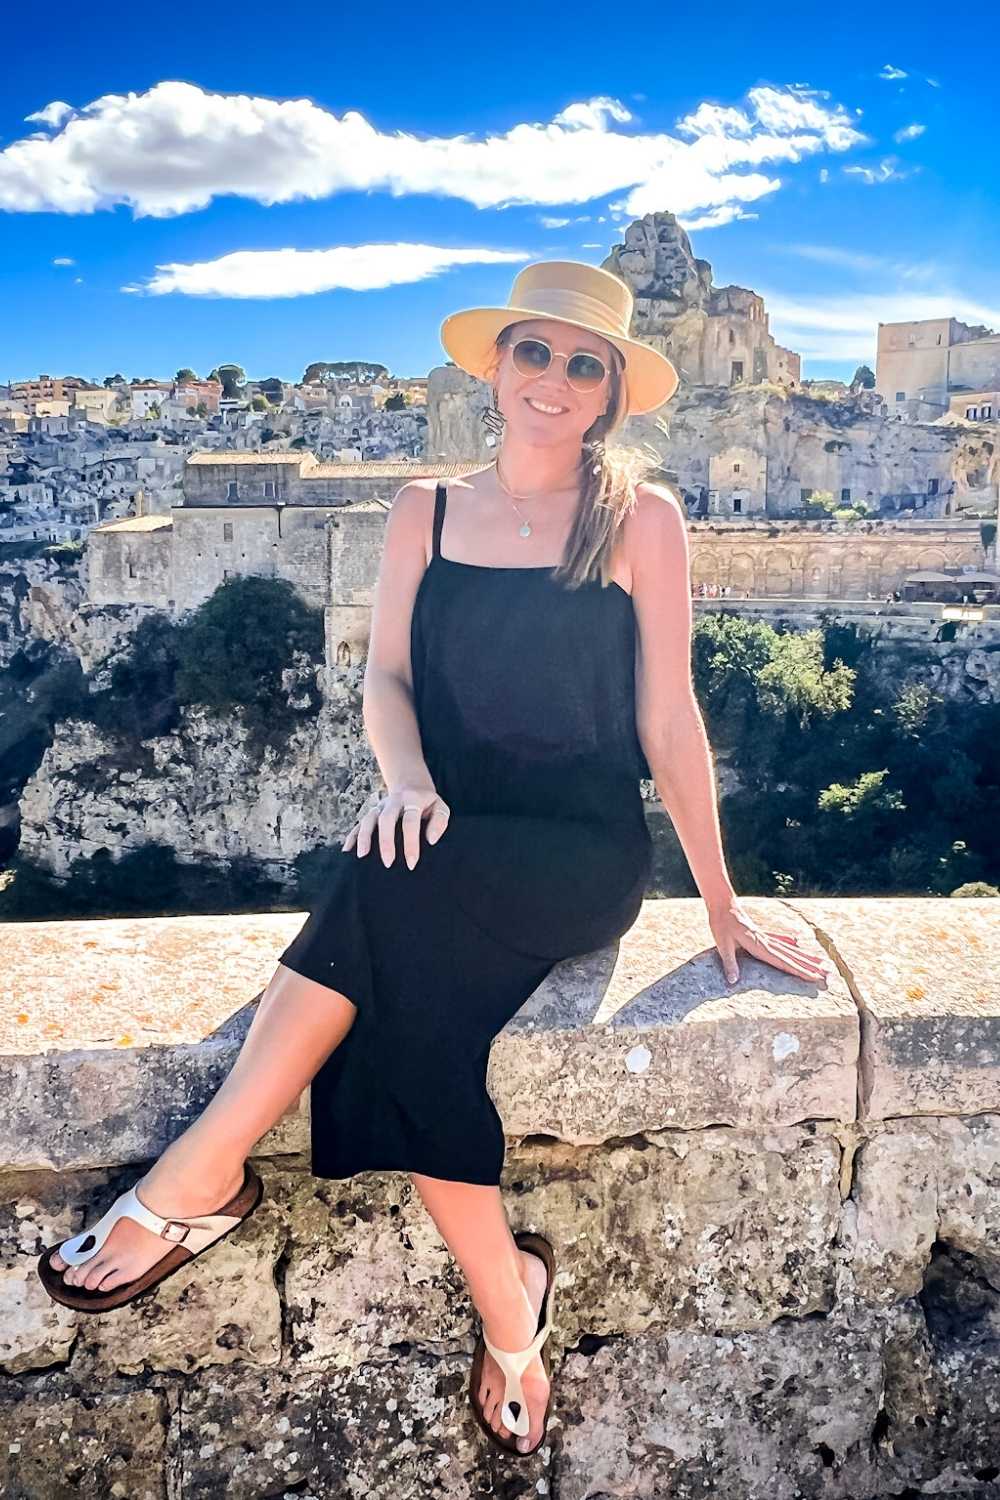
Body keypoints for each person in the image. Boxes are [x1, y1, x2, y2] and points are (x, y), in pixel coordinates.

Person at [37, 260, 831, 1457]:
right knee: (403, 962)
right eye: (535, 353)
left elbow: (669, 717)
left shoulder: (641, 521)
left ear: (611, 390)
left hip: (572, 855)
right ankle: (508, 1304)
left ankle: (200, 1178)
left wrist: (718, 899)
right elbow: (386, 679)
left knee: (375, 881)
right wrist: (404, 777)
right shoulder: (424, 507)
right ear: (493, 367)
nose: (554, 379)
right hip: (440, 834)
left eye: (583, 363)